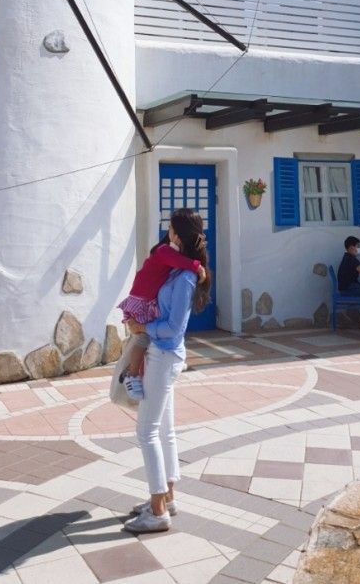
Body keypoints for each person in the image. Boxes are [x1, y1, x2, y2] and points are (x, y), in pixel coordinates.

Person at [122, 208, 211, 534]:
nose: (167, 234)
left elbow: (174, 328)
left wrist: (141, 326)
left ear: (179, 235)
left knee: (146, 432)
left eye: (171, 230)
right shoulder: (177, 271)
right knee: (164, 431)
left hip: (164, 355)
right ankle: (167, 497)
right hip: (164, 355)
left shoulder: (185, 278)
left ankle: (157, 510)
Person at [117, 228, 206, 401]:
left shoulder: (173, 262)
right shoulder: (164, 251)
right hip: (142, 300)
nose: (176, 236)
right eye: (174, 231)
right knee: (142, 339)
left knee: (146, 339)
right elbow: (179, 260)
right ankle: (132, 375)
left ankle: (138, 371)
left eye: (177, 231)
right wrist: (197, 266)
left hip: (147, 301)